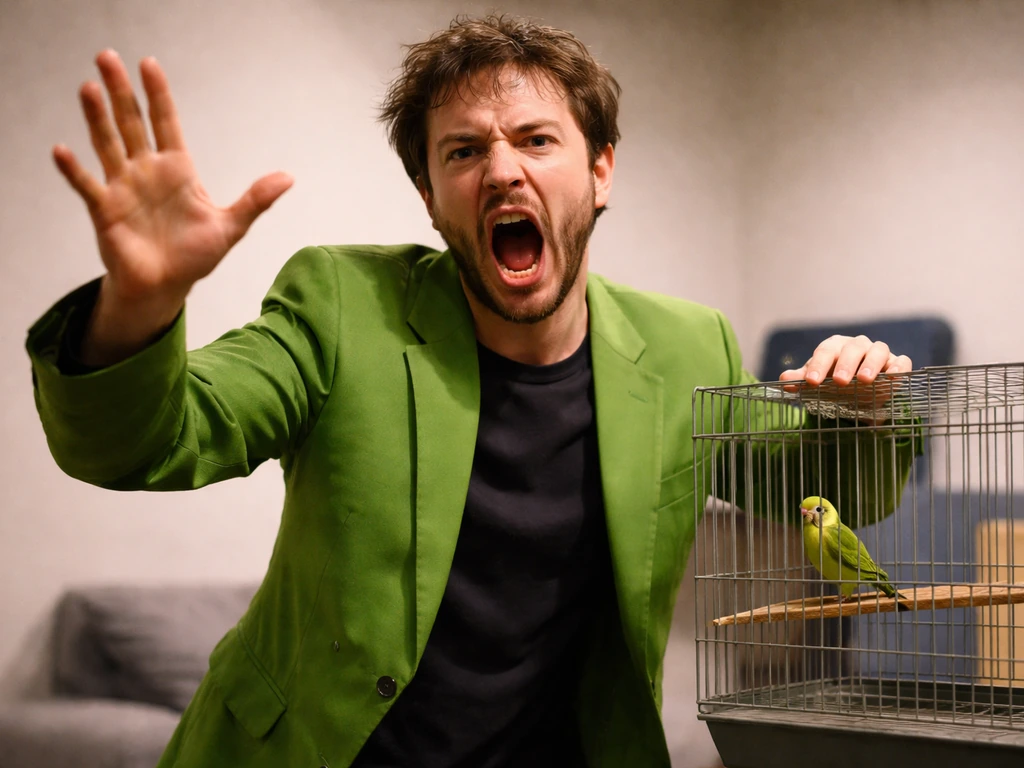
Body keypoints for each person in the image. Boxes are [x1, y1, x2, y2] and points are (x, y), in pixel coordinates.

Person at [26, 15, 914, 768]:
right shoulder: (340, 305)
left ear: (601, 170)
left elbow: (837, 495)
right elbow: (151, 437)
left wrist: (863, 410)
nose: (501, 171)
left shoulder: (688, 344)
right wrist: (138, 311)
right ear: (429, 194)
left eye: (535, 139)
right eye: (463, 150)